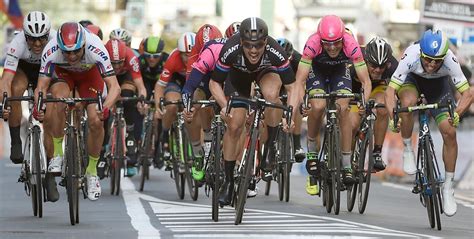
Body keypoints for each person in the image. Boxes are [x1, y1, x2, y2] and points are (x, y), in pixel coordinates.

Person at [209, 17, 300, 206]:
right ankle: (228, 181)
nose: (253, 50)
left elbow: (292, 88)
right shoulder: (230, 49)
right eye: (249, 45)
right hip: (238, 77)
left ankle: (270, 146)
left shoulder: (276, 51)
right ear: (241, 41)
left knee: (271, 95)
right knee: (234, 125)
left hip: (265, 72)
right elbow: (214, 82)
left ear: (265, 42)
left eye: (258, 45)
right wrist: (224, 106)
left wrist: (289, 115)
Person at [385, 29, 472, 217]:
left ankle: (448, 186)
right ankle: (408, 147)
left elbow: (468, 93)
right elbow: (390, 91)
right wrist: (393, 117)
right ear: (421, 54)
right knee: (407, 104)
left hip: (438, 88)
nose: (432, 64)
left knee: (450, 132)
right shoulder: (411, 54)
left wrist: (457, 113)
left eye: (437, 61)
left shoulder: (450, 59)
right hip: (412, 83)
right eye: (428, 59)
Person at [35, 22, 121, 201]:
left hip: (90, 77)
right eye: (67, 52)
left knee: (96, 120)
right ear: (59, 46)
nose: (72, 56)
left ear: (84, 45)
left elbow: (114, 87)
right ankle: (57, 153)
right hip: (63, 76)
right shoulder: (51, 50)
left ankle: (91, 173)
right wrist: (39, 107)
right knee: (59, 100)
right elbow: (41, 87)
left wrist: (105, 108)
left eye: (76, 51)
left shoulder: (96, 47)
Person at [295, 15, 372, 196]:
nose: (331, 47)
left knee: (343, 108)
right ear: (320, 39)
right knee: (319, 106)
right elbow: (299, 80)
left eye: (336, 43)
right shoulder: (312, 43)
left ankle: (346, 165)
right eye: (327, 43)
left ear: (342, 38)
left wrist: (363, 102)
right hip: (317, 71)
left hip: (339, 72)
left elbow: (366, 81)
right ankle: (312, 153)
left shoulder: (351, 44)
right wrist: (302, 103)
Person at [0, 11, 57, 201]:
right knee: (15, 91)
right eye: (32, 39)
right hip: (24, 69)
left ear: (48, 34)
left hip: (47, 70)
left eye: (42, 38)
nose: (38, 44)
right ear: (25, 36)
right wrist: (4, 101)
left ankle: (50, 174)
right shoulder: (16, 44)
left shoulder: (56, 40)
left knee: (50, 113)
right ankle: (16, 141)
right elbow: (6, 79)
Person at [349, 37, 399, 171]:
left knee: (383, 107)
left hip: (377, 89)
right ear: (366, 60)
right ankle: (346, 156)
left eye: (382, 66)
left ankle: (376, 152)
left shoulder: (393, 66)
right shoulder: (354, 61)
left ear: (387, 64)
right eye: (373, 65)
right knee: (353, 124)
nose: (377, 70)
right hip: (355, 89)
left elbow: (399, 89)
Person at [181, 24, 223, 181]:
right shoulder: (194, 56)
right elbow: (189, 86)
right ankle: (198, 152)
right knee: (194, 104)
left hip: (222, 76)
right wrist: (188, 108)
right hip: (204, 77)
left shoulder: (227, 48)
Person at [104, 38, 147, 177]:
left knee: (129, 96)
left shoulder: (131, 57)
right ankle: (103, 144)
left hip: (126, 77)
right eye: (113, 63)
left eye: (119, 63)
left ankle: (130, 133)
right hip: (107, 77)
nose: (116, 67)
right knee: (103, 104)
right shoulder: (102, 55)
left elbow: (140, 86)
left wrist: (142, 101)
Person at [154, 32, 196, 165]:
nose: (189, 57)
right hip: (176, 81)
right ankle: (165, 135)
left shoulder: (202, 57)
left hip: (194, 80)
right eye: (185, 55)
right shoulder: (173, 59)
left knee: (196, 108)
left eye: (191, 54)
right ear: (179, 52)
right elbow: (160, 86)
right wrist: (158, 106)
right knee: (171, 105)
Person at [276, 37, 306, 163]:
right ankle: (271, 143)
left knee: (298, 102)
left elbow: (301, 83)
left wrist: (302, 101)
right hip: (277, 84)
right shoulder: (272, 57)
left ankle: (297, 144)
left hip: (292, 84)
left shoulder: (298, 59)